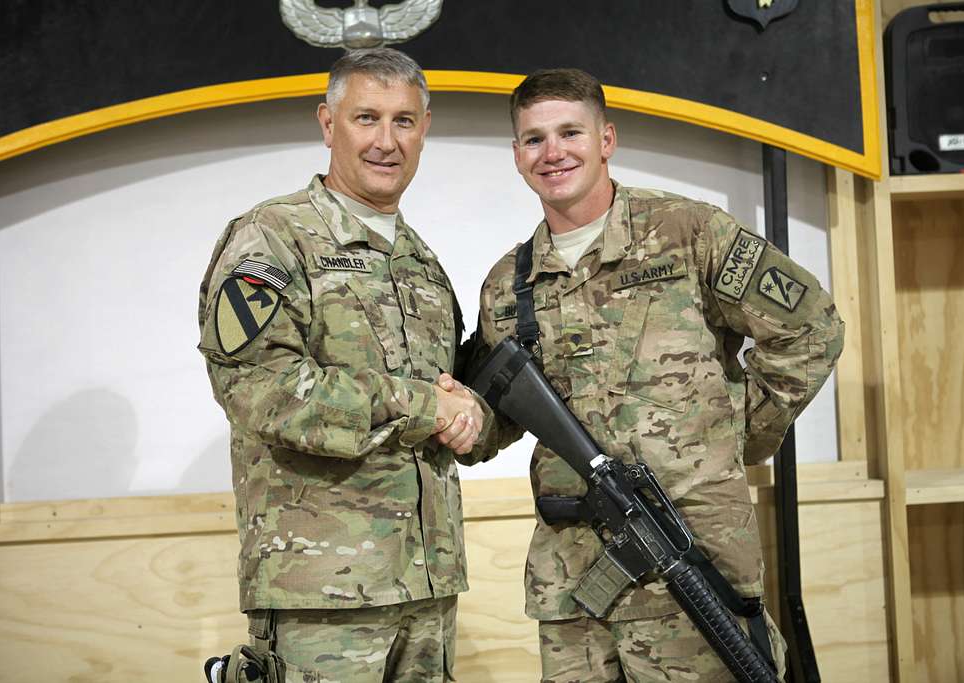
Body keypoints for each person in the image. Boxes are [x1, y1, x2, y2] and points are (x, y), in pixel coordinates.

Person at [467, 68, 845, 682]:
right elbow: (496, 416)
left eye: (571, 132)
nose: (553, 152)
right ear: (517, 156)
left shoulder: (690, 234)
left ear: (607, 139)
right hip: (571, 592)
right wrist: (455, 419)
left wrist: (738, 434)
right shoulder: (509, 282)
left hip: (692, 567)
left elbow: (812, 326)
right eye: (534, 139)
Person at [197, 47, 486, 682]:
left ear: (425, 128)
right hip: (319, 596)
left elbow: (449, 392)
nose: (387, 141)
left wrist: (469, 415)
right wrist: (421, 405)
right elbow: (259, 388)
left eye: (404, 121)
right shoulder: (272, 236)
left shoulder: (423, 263)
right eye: (366, 118)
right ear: (328, 124)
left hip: (428, 589)